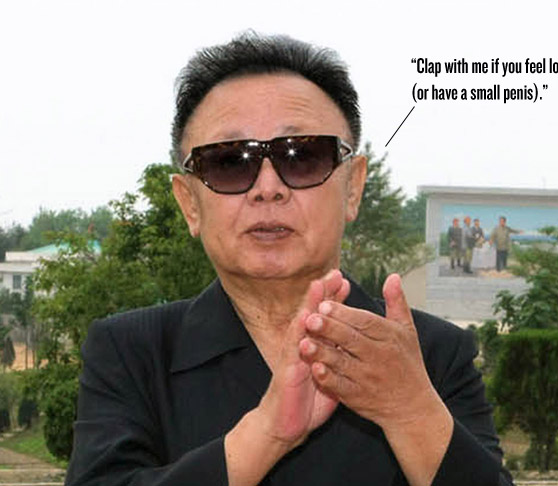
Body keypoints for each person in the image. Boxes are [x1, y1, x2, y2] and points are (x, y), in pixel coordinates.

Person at [65, 33, 513, 486]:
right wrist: (265, 434)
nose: (268, 188)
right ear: (189, 204)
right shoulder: (132, 353)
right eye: (229, 162)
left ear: (353, 188)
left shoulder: (431, 355)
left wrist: (410, 411)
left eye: (302, 156)